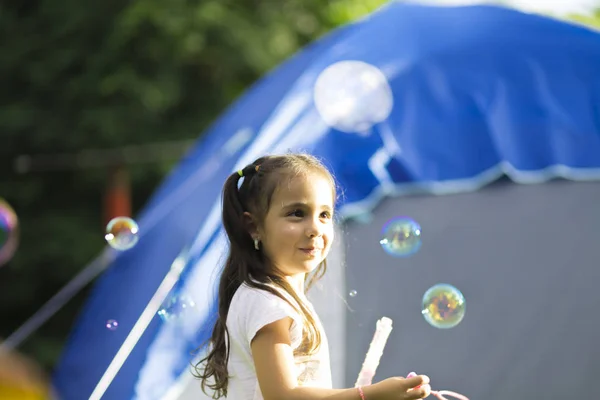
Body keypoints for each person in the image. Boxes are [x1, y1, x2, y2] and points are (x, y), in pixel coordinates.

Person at [194, 153, 431, 400]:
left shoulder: (274, 299)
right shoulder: (268, 303)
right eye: (297, 213)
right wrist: (368, 395)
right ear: (254, 226)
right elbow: (282, 396)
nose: (315, 228)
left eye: (324, 214)